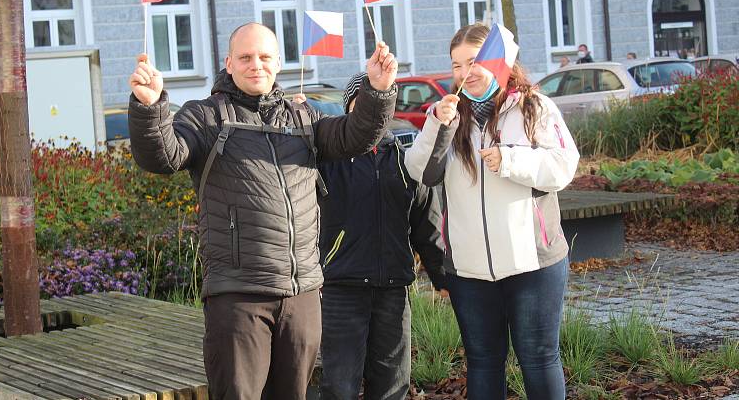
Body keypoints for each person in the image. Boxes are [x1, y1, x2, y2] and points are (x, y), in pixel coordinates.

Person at [127, 22, 398, 400]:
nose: (257, 65)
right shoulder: (205, 117)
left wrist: (378, 91)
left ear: (278, 62)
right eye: (246, 57)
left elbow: (355, 135)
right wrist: (150, 106)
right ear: (229, 63)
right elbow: (162, 156)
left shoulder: (304, 119)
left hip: (301, 291)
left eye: (265, 57)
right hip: (238, 295)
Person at [404, 24, 579, 400]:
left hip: (533, 264)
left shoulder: (534, 107)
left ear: (501, 63)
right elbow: (420, 172)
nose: (467, 72)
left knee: (539, 358)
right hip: (469, 270)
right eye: (457, 65)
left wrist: (511, 160)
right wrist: (437, 124)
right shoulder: (448, 116)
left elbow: (564, 167)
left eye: (475, 61)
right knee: (483, 361)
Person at [296, 73, 446, 400]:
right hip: (341, 288)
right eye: (362, 103)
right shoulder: (327, 159)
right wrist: (299, 123)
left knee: (392, 385)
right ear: (349, 108)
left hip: (393, 288)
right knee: (340, 386)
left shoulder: (406, 160)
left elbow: (427, 225)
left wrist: (443, 277)